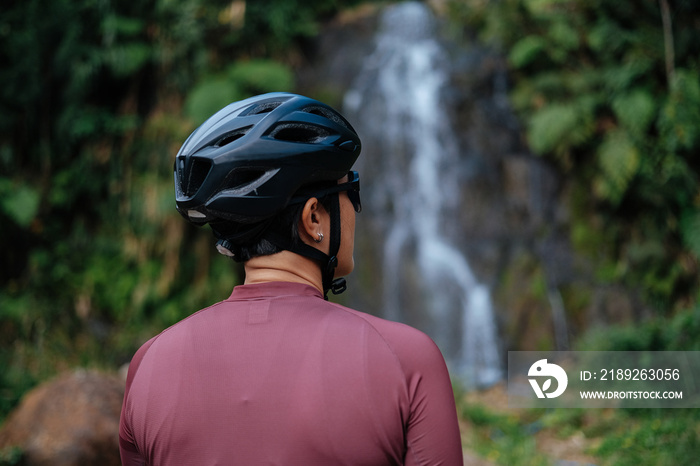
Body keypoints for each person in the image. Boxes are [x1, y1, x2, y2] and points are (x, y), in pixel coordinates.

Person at [119, 92, 463, 465]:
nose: (356, 211)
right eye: (352, 192)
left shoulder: (148, 364)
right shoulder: (408, 359)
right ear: (313, 218)